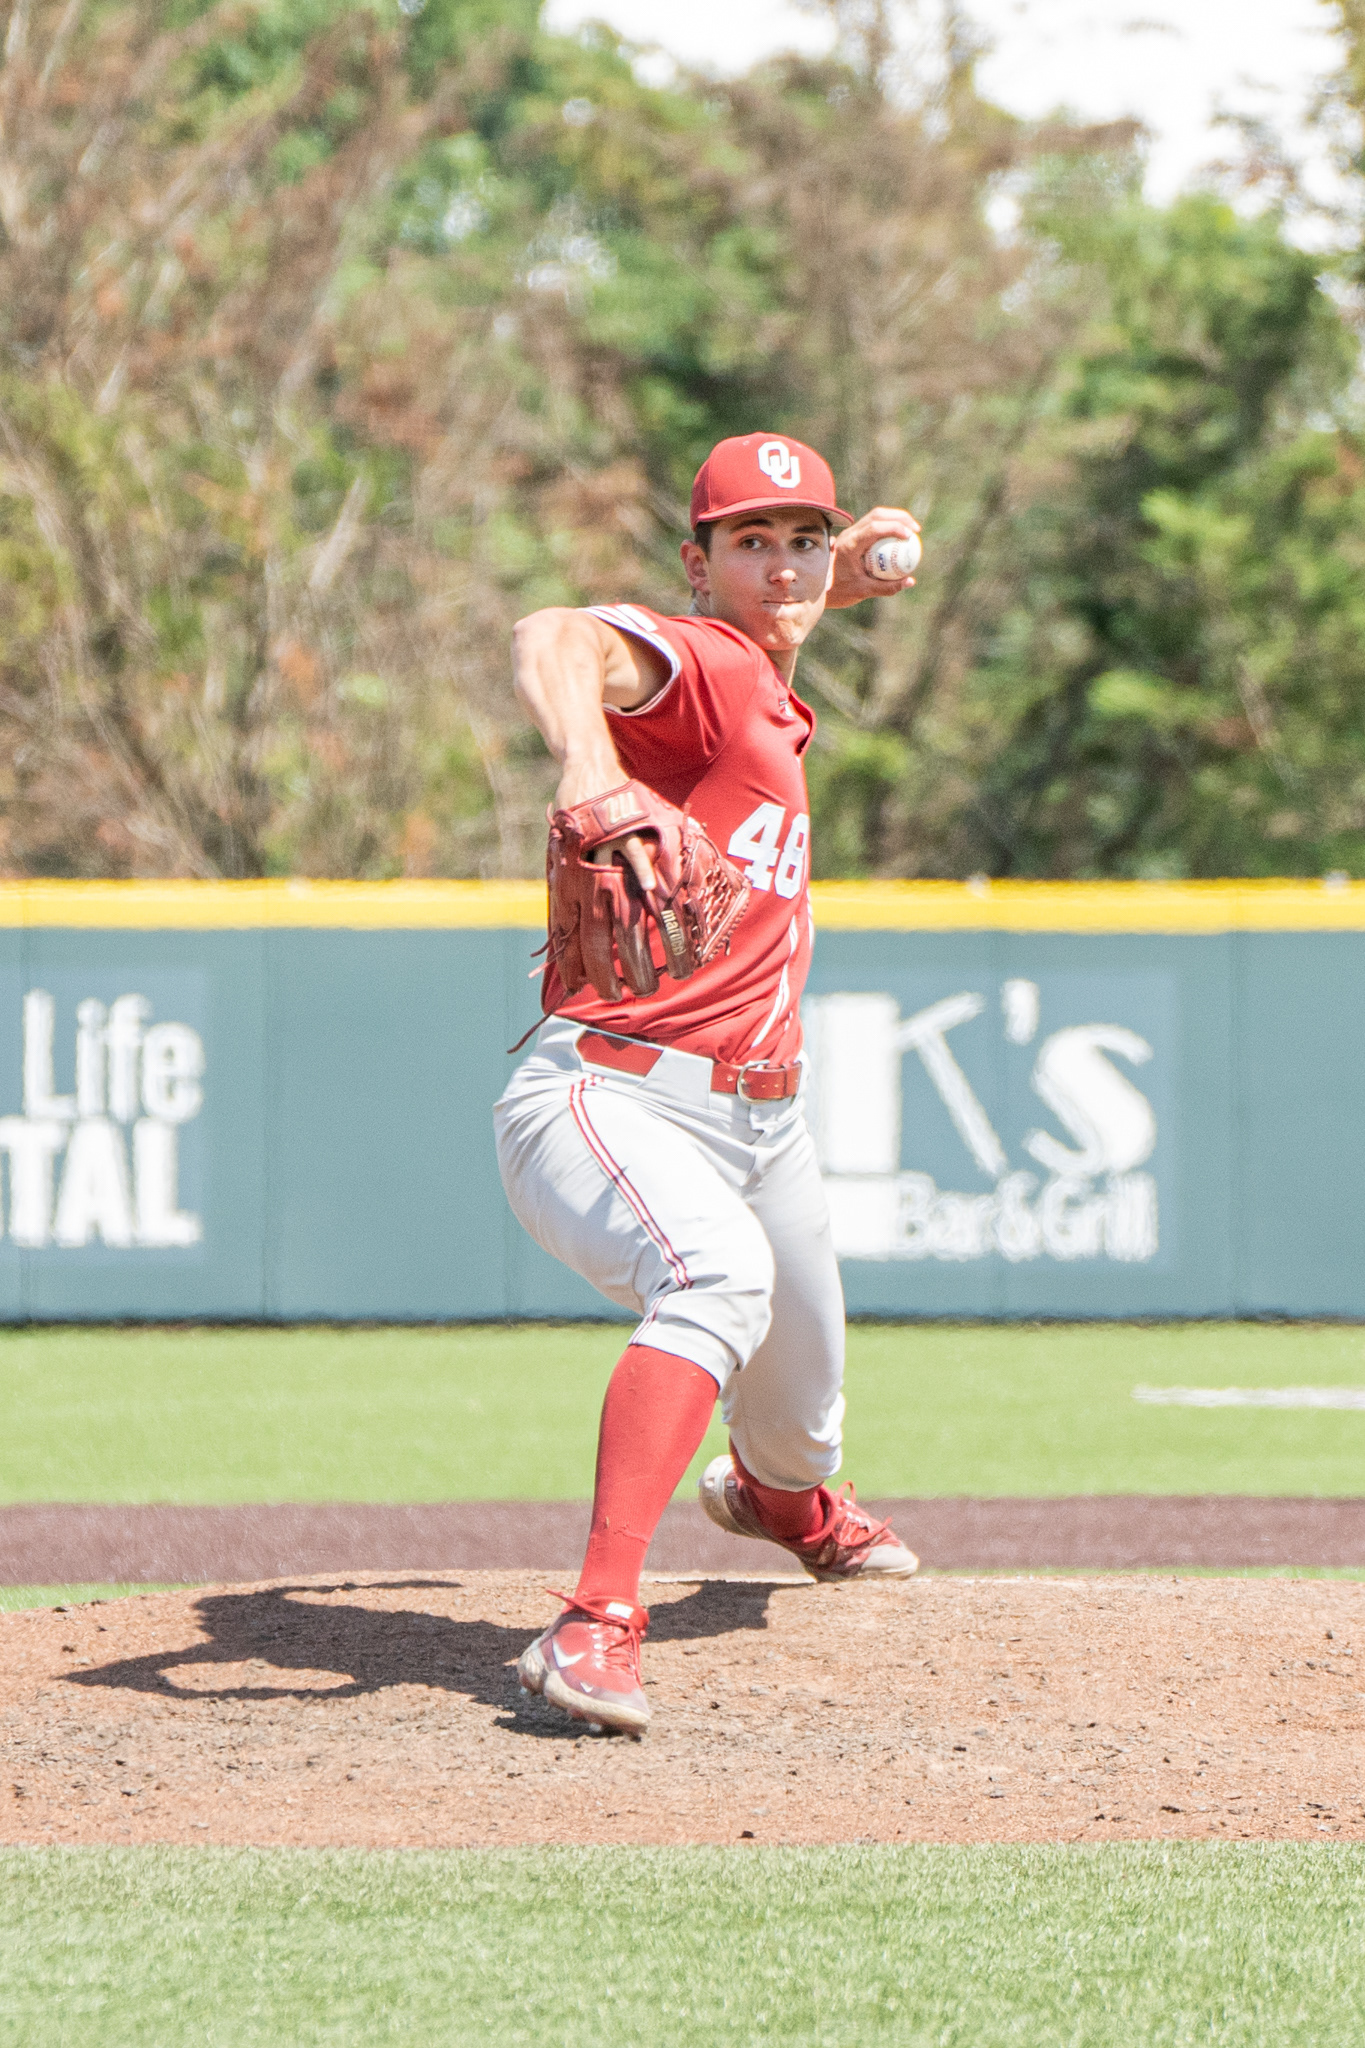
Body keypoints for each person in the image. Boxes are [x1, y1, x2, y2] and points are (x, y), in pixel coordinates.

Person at [495, 432, 922, 1737]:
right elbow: (552, 634)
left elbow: (794, 601)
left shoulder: (768, 657)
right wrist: (588, 765)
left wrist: (840, 572)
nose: (781, 561)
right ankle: (595, 1625)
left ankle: (780, 1500)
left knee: (802, 1428)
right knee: (713, 1281)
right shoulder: (707, 664)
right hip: (610, 1095)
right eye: (750, 541)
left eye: (800, 535)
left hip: (763, 1124)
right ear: (697, 563)